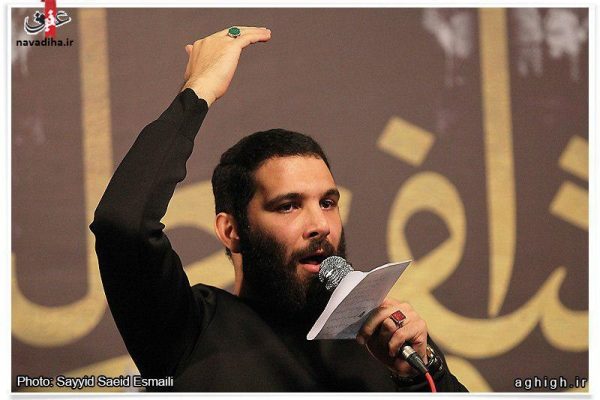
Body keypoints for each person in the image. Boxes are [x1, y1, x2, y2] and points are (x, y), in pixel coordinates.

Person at [90, 26, 467, 392]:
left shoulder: (383, 344)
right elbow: (123, 223)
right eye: (288, 206)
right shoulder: (188, 331)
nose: (320, 225)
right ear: (231, 230)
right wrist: (198, 91)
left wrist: (419, 373)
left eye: (328, 203)